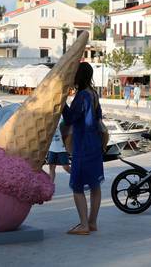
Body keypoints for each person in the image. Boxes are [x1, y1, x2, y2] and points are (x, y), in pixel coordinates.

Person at [62, 62, 104, 235]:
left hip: (83, 143)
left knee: (77, 186)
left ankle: (83, 225)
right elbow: (99, 116)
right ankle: (92, 222)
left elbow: (71, 118)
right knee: (95, 185)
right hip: (94, 143)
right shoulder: (93, 94)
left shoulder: (81, 96)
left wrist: (62, 102)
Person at [47, 117, 71, 183]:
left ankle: (78, 179)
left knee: (66, 167)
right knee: (51, 167)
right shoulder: (49, 117)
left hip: (62, 148)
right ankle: (51, 186)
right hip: (52, 148)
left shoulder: (63, 117)